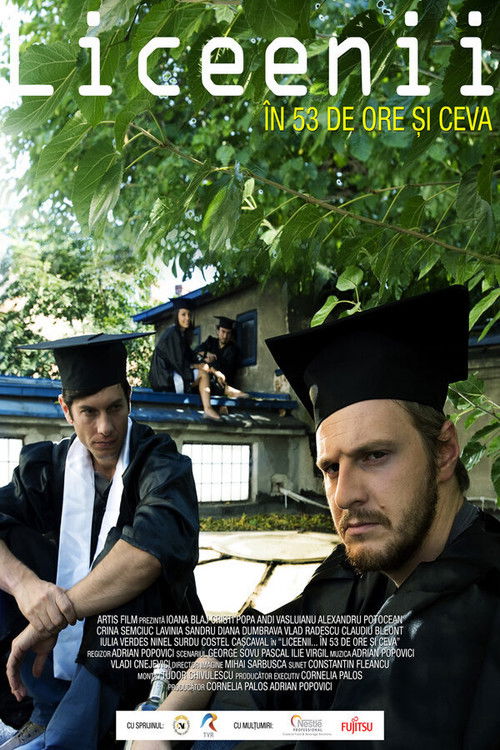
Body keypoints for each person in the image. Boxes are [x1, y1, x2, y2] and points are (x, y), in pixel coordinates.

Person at [192, 286, 500, 749]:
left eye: (374, 455)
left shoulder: (482, 617)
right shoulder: (366, 570)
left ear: (443, 452)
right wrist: (172, 714)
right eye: (331, 468)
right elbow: (269, 644)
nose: (344, 495)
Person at [0, 332, 204, 749]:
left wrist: (55, 614)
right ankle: (42, 707)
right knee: (10, 548)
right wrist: (26, 587)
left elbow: (150, 552)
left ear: (130, 400)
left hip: (149, 649)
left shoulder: (161, 463)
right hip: (63, 649)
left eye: (115, 408)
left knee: (127, 569)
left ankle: (70, 733)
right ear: (66, 410)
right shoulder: (48, 467)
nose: (105, 428)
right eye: (88, 412)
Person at [149, 299, 221, 420]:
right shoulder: (173, 334)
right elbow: (180, 363)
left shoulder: (180, 335)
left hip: (170, 377)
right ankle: (207, 409)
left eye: (189, 315)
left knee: (206, 375)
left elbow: (190, 356)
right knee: (203, 374)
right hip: (165, 380)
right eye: (183, 314)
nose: (187, 318)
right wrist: (199, 366)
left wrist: (206, 363)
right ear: (176, 316)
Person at [195, 317, 246, 398]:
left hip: (221, 384)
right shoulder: (211, 342)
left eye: (228, 333)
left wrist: (209, 362)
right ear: (217, 331)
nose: (225, 336)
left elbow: (226, 371)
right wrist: (206, 353)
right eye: (223, 331)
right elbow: (196, 352)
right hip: (204, 381)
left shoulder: (233, 350)